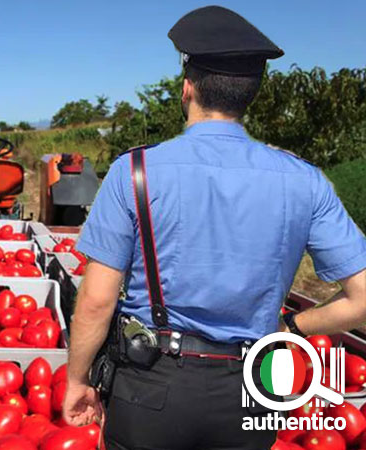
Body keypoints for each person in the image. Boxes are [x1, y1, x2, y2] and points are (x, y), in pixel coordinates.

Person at [62, 5, 366, 450]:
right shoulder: (305, 181)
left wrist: (77, 379)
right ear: (252, 94)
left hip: (151, 385)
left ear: (188, 88)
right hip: (252, 391)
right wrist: (294, 329)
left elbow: (95, 301)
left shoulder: (135, 172)